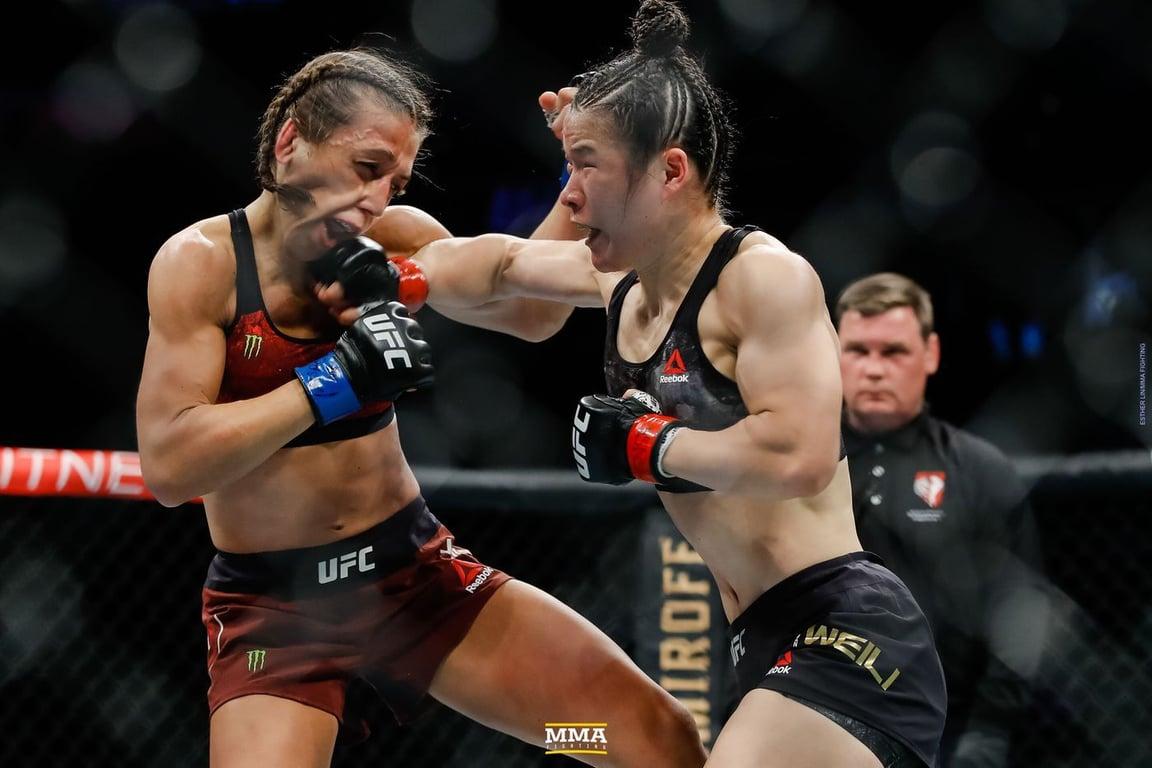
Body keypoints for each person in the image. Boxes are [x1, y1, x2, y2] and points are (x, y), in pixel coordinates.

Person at [380, 2, 949, 765]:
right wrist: (399, 279)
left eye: (588, 166)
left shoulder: (761, 279)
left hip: (846, 632)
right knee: (610, 745)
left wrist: (653, 444)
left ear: (671, 172)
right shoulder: (619, 284)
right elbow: (504, 270)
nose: (570, 193)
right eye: (568, 167)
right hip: (758, 643)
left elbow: (800, 455)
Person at [135, 47, 709, 768]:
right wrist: (333, 383)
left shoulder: (395, 240)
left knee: (644, 742)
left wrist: (580, 174)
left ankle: (557, 745)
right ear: (290, 143)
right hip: (279, 617)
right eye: (366, 168)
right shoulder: (203, 265)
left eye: (395, 180)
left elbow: (528, 310)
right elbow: (170, 466)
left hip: (417, 580)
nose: (375, 199)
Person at [836, 273, 1040, 767]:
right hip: (817, 709)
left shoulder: (979, 469)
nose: (874, 370)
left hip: (944, 729)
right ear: (832, 353)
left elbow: (1020, 618)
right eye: (859, 351)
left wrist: (988, 735)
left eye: (894, 352)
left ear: (930, 354)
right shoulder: (798, 464)